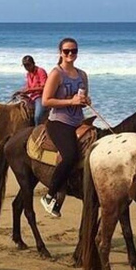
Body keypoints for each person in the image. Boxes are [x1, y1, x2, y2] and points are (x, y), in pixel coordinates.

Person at [40, 37, 89, 218]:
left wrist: (85, 101)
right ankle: (50, 194)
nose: (70, 54)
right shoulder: (57, 73)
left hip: (79, 121)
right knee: (70, 156)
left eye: (74, 51)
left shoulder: (82, 75)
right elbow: (46, 101)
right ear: (60, 52)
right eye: (67, 51)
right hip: (60, 122)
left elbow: (83, 100)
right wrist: (71, 101)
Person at [21, 55, 49, 124]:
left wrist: (30, 90)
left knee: (37, 116)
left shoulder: (40, 71)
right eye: (25, 66)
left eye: (28, 65)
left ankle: (37, 131)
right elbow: (28, 86)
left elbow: (44, 87)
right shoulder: (28, 74)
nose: (27, 67)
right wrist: (21, 92)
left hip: (40, 96)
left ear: (33, 63)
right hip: (32, 97)